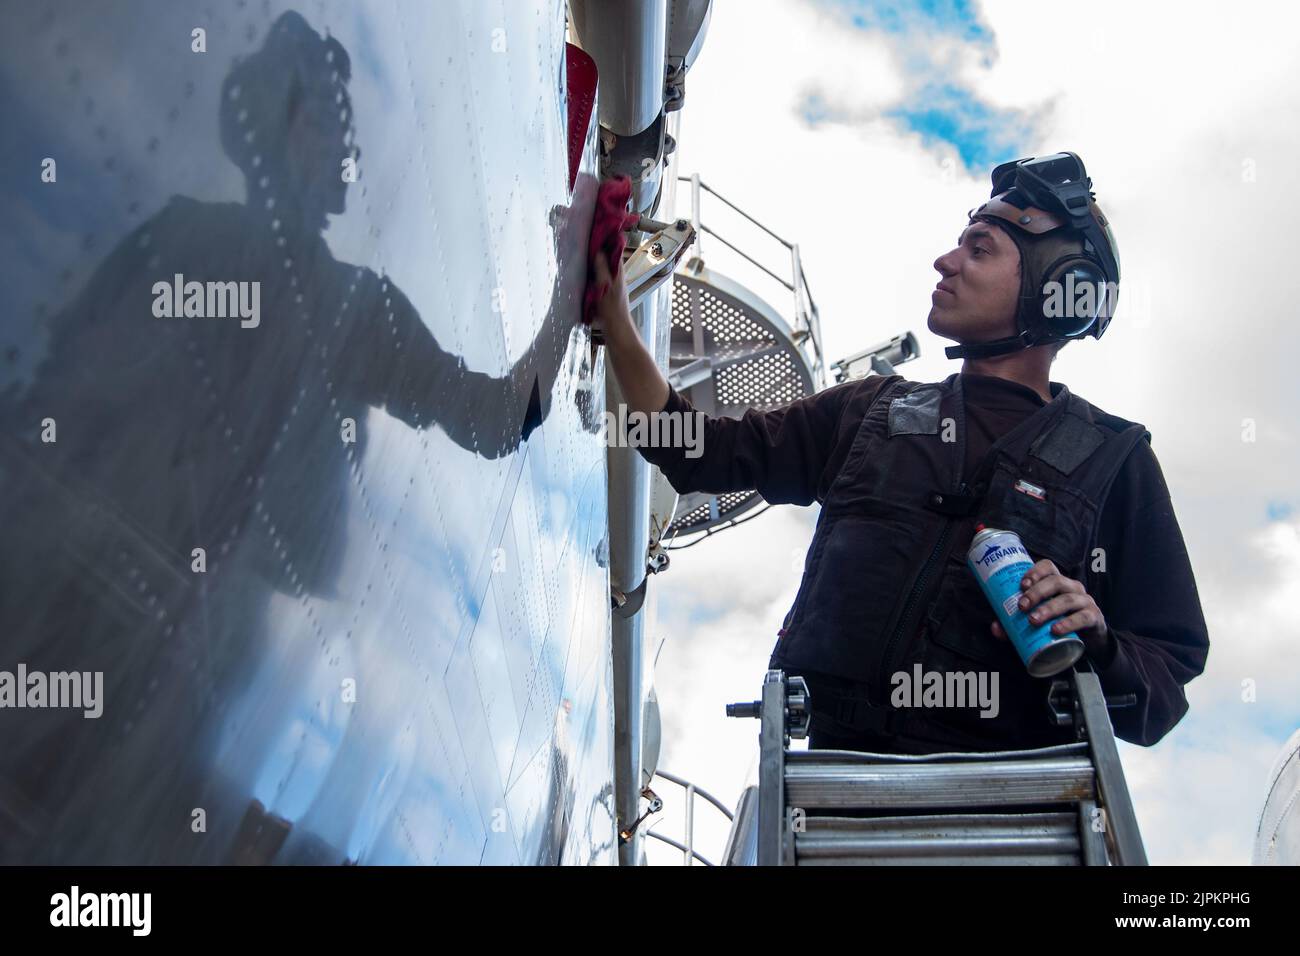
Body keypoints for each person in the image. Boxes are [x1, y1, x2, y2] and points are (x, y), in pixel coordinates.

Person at [591, 152, 1209, 754]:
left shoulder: (1113, 458)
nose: (946, 262)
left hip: (1015, 817)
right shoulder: (869, 411)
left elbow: (1163, 683)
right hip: (836, 793)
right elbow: (703, 454)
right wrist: (617, 321)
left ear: (1058, 288)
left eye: (979, 249)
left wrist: (1100, 640)